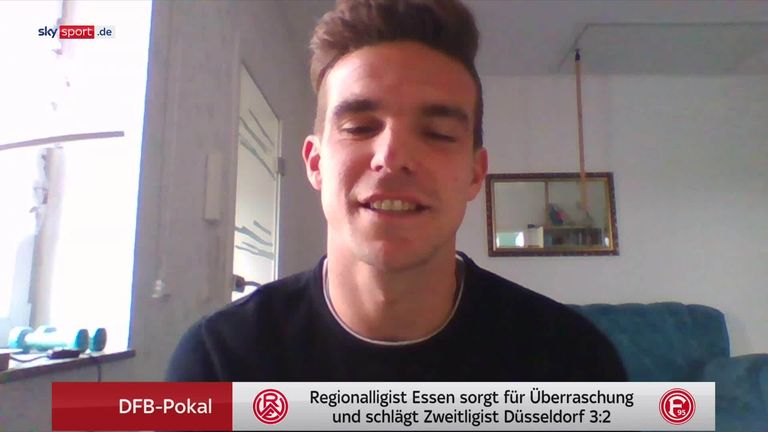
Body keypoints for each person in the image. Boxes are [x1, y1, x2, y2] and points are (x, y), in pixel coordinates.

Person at [167, 0, 626, 382]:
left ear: (474, 174)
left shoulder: (574, 362)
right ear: (315, 163)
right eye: (359, 127)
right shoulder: (218, 362)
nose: (392, 156)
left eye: (438, 133)